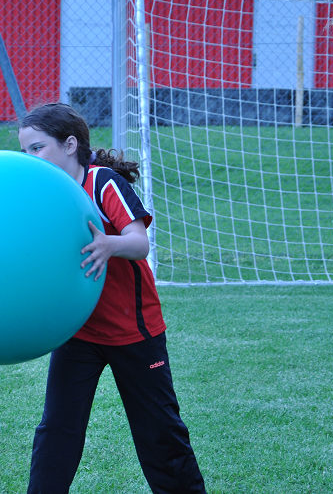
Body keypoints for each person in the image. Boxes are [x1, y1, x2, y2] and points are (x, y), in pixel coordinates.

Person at [18, 103, 206, 494]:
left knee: (159, 434)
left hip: (133, 331)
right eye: (25, 151)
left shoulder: (102, 182)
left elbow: (139, 243)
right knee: (57, 431)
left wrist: (109, 244)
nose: (30, 159)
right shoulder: (38, 191)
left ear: (70, 145)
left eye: (37, 148)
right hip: (77, 330)